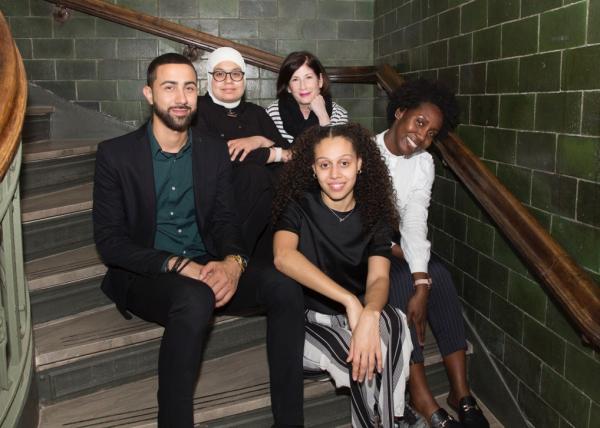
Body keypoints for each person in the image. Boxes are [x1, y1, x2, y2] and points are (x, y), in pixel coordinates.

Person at [93, 53, 305, 427]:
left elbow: (225, 220)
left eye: (189, 87)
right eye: (169, 87)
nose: (181, 97)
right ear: (148, 93)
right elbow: (110, 242)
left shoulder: (210, 150)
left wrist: (233, 263)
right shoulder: (116, 155)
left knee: (285, 287)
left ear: (197, 93)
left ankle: (289, 422)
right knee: (196, 297)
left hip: (207, 261)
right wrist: (178, 265)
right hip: (148, 273)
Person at [272, 123, 413, 428]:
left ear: (360, 164)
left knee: (393, 322)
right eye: (325, 165)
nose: (335, 174)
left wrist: (370, 315)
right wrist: (350, 301)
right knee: (360, 359)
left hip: (359, 313)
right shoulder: (298, 205)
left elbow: (378, 279)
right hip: (310, 322)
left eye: (344, 163)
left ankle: (385, 421)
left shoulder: (375, 212)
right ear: (312, 168)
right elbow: (283, 257)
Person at [375, 78, 490, 428]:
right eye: (420, 123)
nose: (423, 136)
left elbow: (414, 221)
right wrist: (406, 265)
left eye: (432, 132)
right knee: (398, 283)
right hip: (359, 250)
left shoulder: (424, 163)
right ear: (400, 112)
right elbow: (361, 227)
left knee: (438, 274)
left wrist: (422, 282)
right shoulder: (363, 151)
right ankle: (422, 396)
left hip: (392, 243)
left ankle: (460, 392)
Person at [193, 47, 291, 256]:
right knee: (253, 174)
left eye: (236, 74)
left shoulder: (257, 113)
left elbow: (290, 153)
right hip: (222, 200)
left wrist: (258, 140)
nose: (229, 81)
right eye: (220, 74)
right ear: (209, 77)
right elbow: (219, 155)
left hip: (265, 208)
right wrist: (270, 153)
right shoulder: (198, 110)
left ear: (244, 78)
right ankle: (232, 257)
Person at [266, 51, 348, 144]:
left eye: (308, 77)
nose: (303, 86)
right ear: (288, 87)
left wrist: (323, 117)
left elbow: (335, 155)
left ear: (320, 80)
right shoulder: (273, 113)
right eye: (295, 79)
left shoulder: (339, 114)